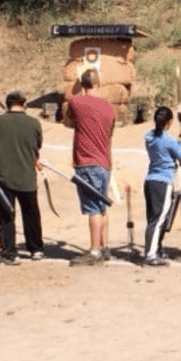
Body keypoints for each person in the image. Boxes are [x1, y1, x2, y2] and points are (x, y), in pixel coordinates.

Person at [62, 69, 115, 266]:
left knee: (93, 208)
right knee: (101, 207)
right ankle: (104, 247)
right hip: (104, 162)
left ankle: (94, 251)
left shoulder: (76, 102)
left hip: (87, 162)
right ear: (98, 83)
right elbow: (110, 132)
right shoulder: (109, 107)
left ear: (82, 84)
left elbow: (68, 121)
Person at [0, 88, 44, 264]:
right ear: (24, 104)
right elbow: (37, 145)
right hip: (27, 177)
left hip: (2, 178)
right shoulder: (34, 123)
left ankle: (10, 252)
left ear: (7, 104)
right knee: (31, 216)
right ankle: (36, 249)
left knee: (5, 217)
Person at [143, 105, 181, 267]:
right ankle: (150, 255)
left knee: (154, 218)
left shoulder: (149, 137)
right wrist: (180, 143)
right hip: (163, 182)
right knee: (159, 219)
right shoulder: (168, 139)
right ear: (168, 122)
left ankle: (157, 248)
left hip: (150, 181)